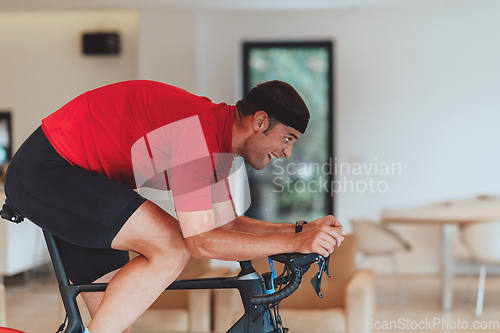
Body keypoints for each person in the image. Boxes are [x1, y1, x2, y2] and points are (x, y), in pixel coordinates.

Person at [4, 80, 345, 333]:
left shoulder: (216, 139)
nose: (287, 153)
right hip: (52, 171)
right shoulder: (199, 132)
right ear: (259, 122)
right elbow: (200, 242)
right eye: (287, 139)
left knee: (113, 322)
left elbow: (226, 224)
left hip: (87, 183)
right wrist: (295, 243)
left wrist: (299, 230)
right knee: (171, 247)